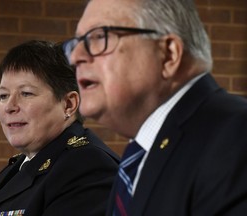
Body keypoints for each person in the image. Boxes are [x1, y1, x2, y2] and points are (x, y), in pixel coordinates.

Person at [63, 0, 247, 215]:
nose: (75, 57)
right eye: (76, 43)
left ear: (168, 54)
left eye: (100, 37)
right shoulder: (139, 156)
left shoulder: (236, 135)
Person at [0, 40, 120, 216]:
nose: (9, 106)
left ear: (68, 104)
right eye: (3, 95)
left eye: (26, 93)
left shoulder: (88, 167)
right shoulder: (14, 170)